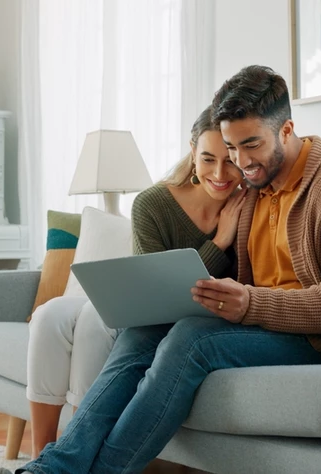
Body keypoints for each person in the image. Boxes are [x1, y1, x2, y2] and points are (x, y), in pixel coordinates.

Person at [14, 65, 321, 474]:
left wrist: (249, 303)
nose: (241, 163)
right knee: (144, 330)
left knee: (194, 337)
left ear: (286, 130)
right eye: (232, 148)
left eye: (251, 145)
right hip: (259, 324)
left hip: (314, 338)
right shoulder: (255, 184)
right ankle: (49, 469)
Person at [22, 105, 247, 459]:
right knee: (50, 316)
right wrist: (218, 243)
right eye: (207, 159)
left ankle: (77, 456)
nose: (220, 173)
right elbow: (155, 295)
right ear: (192, 152)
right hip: (144, 308)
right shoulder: (154, 203)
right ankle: (42, 454)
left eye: (230, 160)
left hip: (184, 320)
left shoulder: (248, 206)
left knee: (95, 322)